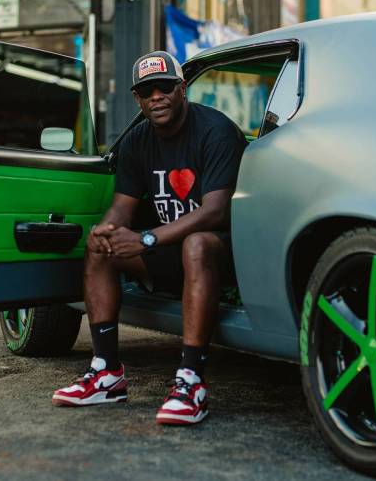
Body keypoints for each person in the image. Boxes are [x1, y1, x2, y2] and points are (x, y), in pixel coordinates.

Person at [52, 51, 247, 425]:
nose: (156, 96)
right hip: (167, 250)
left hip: (225, 254)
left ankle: (191, 382)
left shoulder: (215, 131)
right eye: (147, 91)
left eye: (164, 87)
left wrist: (146, 240)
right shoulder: (137, 141)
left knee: (197, 242)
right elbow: (122, 208)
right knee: (99, 247)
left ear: (182, 89)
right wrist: (106, 232)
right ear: (137, 99)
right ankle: (106, 372)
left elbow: (215, 212)